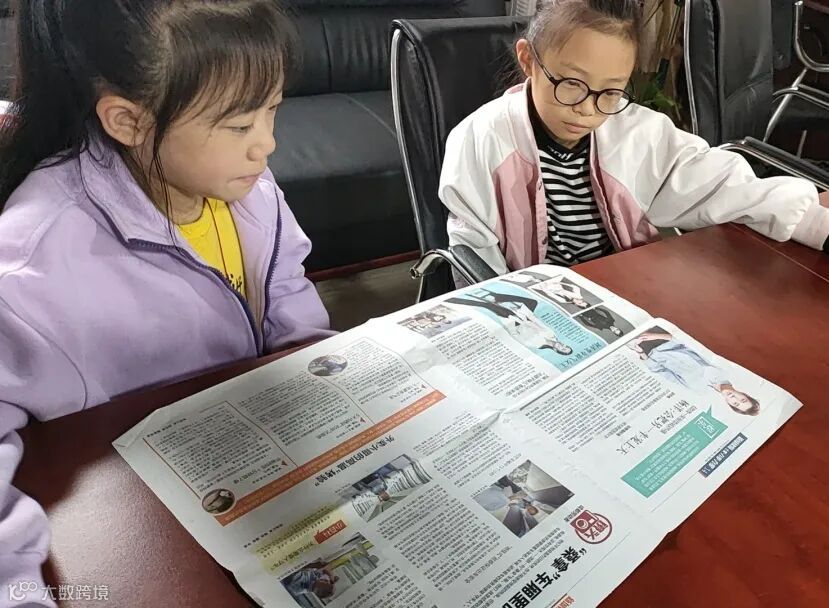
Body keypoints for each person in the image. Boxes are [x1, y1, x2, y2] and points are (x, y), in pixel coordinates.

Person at [0, 1, 334, 602]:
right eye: (239, 125)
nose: (267, 145)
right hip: (137, 524)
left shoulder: (246, 188)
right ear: (128, 121)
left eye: (273, 109)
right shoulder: (32, 268)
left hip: (252, 473)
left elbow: (288, 296)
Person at [439, 0, 829, 277]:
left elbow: (724, 184)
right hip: (533, 305)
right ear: (528, 60)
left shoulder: (635, 132)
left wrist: (814, 224)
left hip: (624, 290)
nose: (588, 110)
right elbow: (474, 258)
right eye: (571, 84)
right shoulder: (479, 141)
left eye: (610, 92)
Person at [629, 331, 760, 416]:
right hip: (664, 339)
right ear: (745, 394)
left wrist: (640, 352)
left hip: (647, 352)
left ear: (729, 405)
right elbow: (693, 345)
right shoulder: (725, 370)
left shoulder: (700, 391)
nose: (734, 398)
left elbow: (663, 373)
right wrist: (658, 335)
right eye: (742, 399)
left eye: (735, 404)